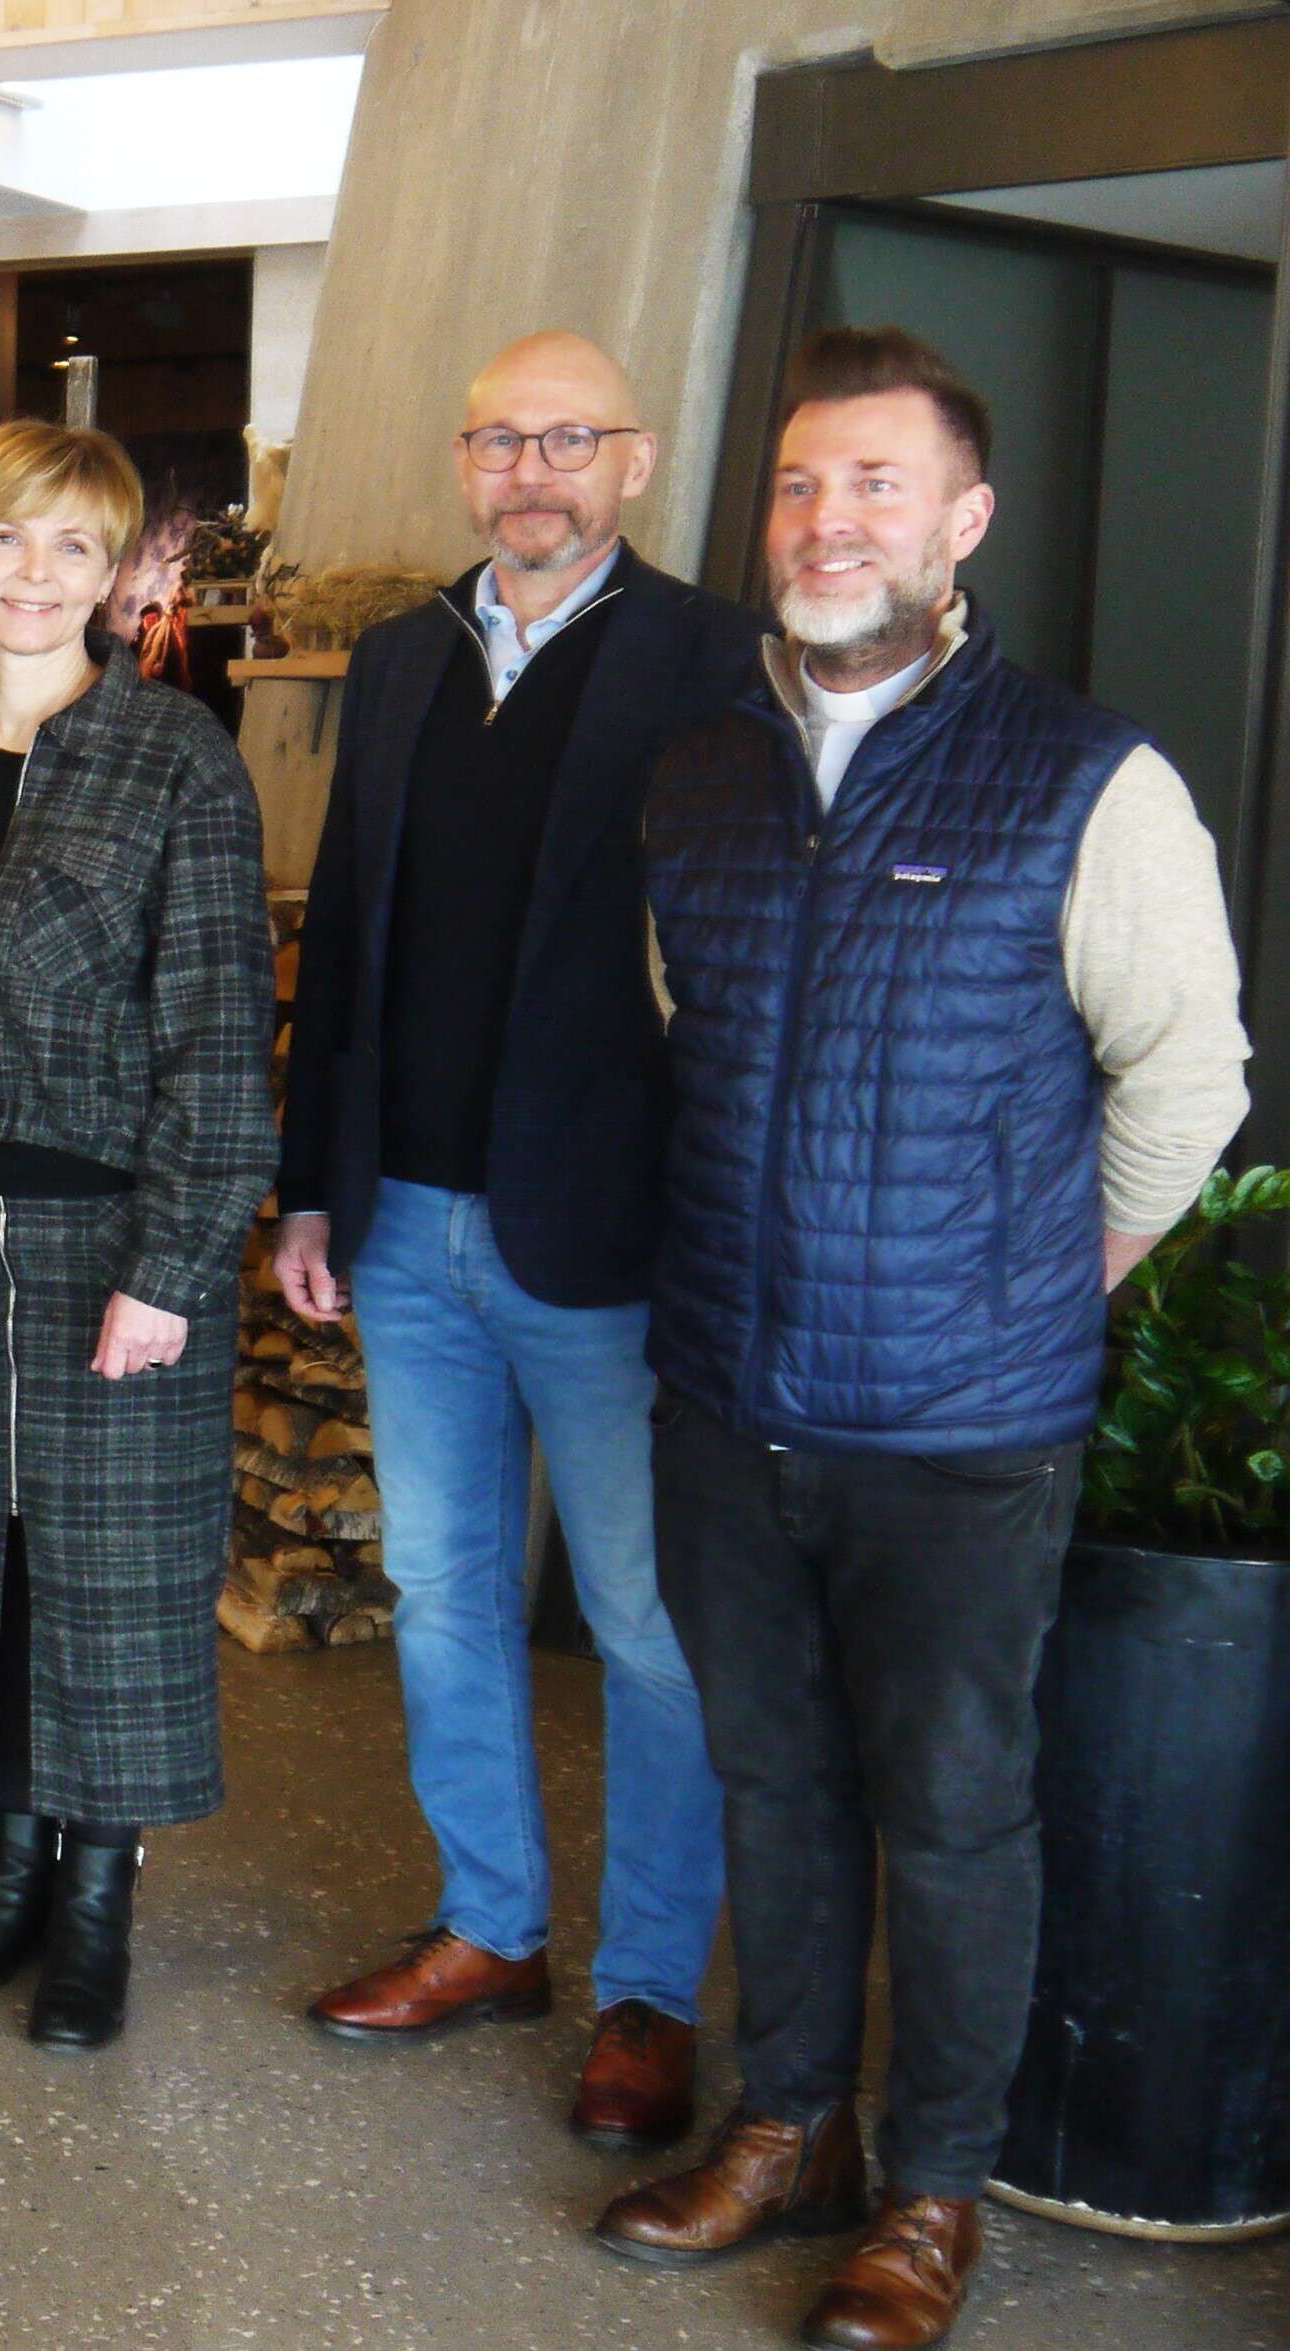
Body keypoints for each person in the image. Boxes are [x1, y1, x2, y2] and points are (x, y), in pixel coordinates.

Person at [595, 328, 1251, 2351]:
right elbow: (693, 1038)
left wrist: (1043, 1287)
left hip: (961, 1428)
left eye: (876, 483)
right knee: (775, 1785)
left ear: (964, 522)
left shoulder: (1085, 777)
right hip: (729, 1397)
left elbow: (1188, 1083)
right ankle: (787, 2123)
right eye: (801, 483)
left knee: (955, 1815)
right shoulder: (699, 775)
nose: (828, 521)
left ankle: (933, 2187)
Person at [277, 333, 761, 2148]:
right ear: (466, 461)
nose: (530, 474)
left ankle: (648, 1994)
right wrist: (312, 1183)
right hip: (408, 1218)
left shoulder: (714, 659)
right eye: (500, 441)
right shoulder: (404, 655)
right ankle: (491, 1926)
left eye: (569, 441)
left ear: (634, 459)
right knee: (444, 1589)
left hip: (613, 1234)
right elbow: (346, 931)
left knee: (645, 1626)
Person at [0, 418, 275, 2052]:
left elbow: (220, 1039)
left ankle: (97, 1899)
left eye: (72, 546)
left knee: (110, 1580)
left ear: (115, 578)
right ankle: (10, 1869)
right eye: (5, 539)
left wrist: (173, 1268)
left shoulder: (178, 761)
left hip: (106, 1243)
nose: (34, 574)